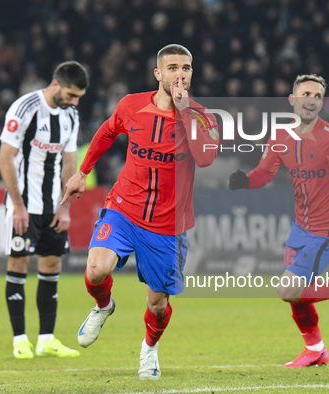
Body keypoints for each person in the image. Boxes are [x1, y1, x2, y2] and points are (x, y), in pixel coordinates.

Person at [61, 44, 219, 380]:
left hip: (167, 225)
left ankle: (149, 349)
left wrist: (185, 109)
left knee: (157, 305)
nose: (180, 74)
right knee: (95, 270)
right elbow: (106, 132)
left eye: (186, 68)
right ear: (158, 74)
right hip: (124, 209)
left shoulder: (204, 117)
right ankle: (103, 306)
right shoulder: (132, 105)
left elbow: (206, 158)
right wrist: (83, 171)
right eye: (173, 68)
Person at [229, 74, 329, 367]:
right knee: (296, 296)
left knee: (287, 290)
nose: (312, 100)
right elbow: (265, 173)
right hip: (301, 228)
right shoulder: (281, 136)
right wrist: (245, 180)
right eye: (307, 93)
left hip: (328, 230)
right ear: (292, 99)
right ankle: (315, 349)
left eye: (318, 96)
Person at [0, 61, 88, 359]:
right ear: (56, 84)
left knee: (51, 267)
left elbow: (69, 164)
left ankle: (47, 338)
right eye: (71, 95)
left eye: (78, 98)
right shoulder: (25, 108)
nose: (74, 102)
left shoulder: (71, 116)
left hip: (52, 207)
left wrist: (65, 208)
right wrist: (18, 205)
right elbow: (5, 159)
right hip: (23, 205)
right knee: (19, 264)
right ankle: (20, 339)